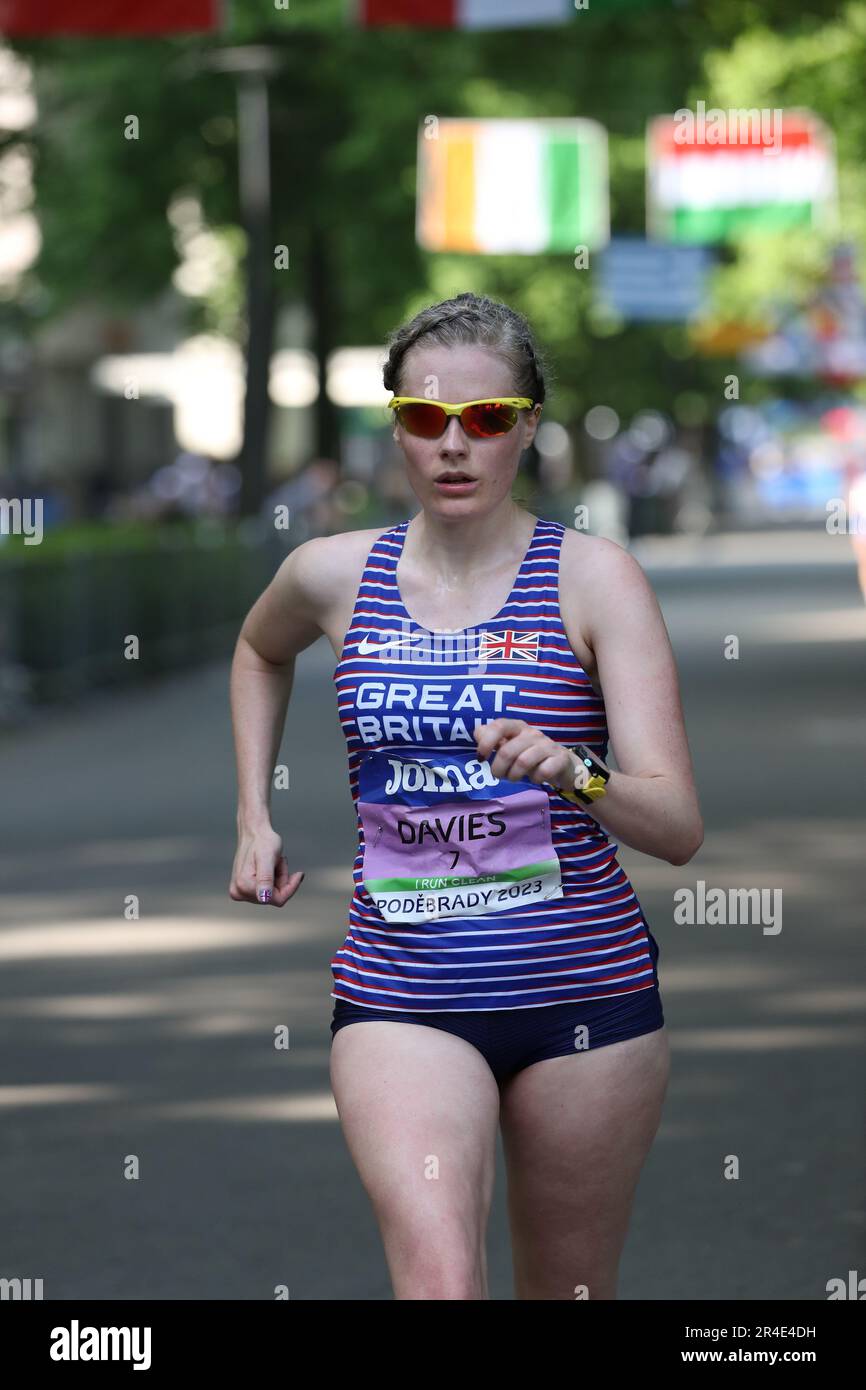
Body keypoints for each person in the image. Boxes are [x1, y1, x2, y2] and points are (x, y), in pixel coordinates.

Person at [228, 291, 703, 1300]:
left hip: (583, 1002)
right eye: (422, 418)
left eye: (485, 420)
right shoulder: (329, 573)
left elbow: (676, 827)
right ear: (393, 423)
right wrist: (253, 814)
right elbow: (256, 649)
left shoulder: (593, 581)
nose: (454, 446)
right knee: (439, 1278)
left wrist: (572, 769)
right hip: (400, 995)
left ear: (525, 429)